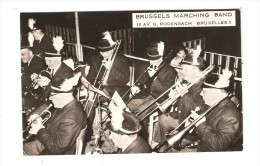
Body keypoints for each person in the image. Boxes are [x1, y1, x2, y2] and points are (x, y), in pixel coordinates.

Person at [153, 45, 207, 151]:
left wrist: (184, 95)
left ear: (194, 69)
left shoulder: (204, 85)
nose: (182, 71)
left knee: (174, 143)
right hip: (182, 116)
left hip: (193, 126)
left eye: (184, 69)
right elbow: (183, 103)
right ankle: (160, 146)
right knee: (163, 119)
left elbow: (200, 109)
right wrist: (174, 98)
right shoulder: (190, 80)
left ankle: (170, 148)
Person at [80, 31, 130, 142]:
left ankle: (111, 133)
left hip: (116, 89)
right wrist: (90, 87)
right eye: (101, 52)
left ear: (113, 49)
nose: (103, 54)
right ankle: (85, 133)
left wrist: (112, 69)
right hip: (99, 88)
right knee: (89, 101)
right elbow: (92, 76)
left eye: (106, 51)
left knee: (93, 101)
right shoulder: (95, 58)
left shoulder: (122, 59)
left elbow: (124, 79)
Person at [23, 72, 87, 155]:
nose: (50, 98)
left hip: (53, 152)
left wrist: (39, 130)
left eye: (52, 95)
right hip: (50, 140)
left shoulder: (70, 119)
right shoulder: (67, 105)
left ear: (63, 95)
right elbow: (55, 125)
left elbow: (57, 148)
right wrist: (39, 121)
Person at [127, 41, 177, 141]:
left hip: (160, 99)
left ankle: (142, 138)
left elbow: (166, 91)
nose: (150, 62)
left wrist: (155, 79)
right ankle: (129, 131)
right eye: (149, 59)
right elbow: (141, 82)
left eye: (154, 60)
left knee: (142, 110)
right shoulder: (145, 66)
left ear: (161, 57)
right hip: (145, 96)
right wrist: (136, 87)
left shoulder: (170, 71)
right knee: (127, 106)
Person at [187, 68, 243, 152]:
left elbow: (218, 145)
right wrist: (193, 125)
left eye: (205, 92)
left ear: (218, 93)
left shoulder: (231, 116)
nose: (201, 94)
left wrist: (200, 123)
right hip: (203, 145)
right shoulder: (213, 103)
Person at [30, 36, 74, 103]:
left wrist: (48, 83)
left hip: (58, 103)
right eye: (46, 60)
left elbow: (62, 91)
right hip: (45, 101)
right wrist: (38, 80)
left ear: (59, 59)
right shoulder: (50, 68)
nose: (47, 63)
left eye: (49, 61)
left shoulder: (67, 72)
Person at [21, 33, 47, 108]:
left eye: (23, 54)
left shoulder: (38, 62)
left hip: (37, 100)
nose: (20, 57)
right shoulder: (30, 62)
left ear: (30, 53)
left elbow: (31, 82)